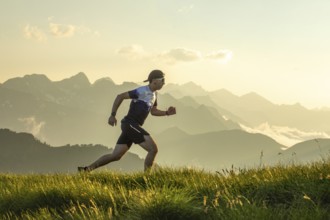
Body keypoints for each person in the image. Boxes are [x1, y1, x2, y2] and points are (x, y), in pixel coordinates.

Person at [78, 70, 176, 172]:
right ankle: (147, 179)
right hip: (130, 124)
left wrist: (167, 113)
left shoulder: (155, 94)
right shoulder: (142, 91)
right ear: (155, 81)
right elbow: (120, 96)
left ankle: (86, 170)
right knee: (153, 149)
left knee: (116, 156)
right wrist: (112, 115)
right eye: (163, 80)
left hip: (132, 126)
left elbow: (153, 111)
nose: (164, 83)